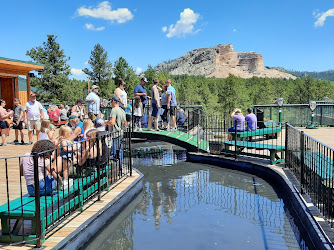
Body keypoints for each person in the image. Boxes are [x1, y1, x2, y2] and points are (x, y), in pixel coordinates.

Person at [107, 96, 126, 172]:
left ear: (114, 102)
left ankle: (113, 171)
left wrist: (105, 122)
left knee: (113, 153)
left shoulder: (114, 110)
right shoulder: (122, 110)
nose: (111, 103)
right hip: (121, 133)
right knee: (120, 152)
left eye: (111, 102)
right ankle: (120, 169)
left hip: (115, 134)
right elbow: (125, 123)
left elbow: (112, 122)